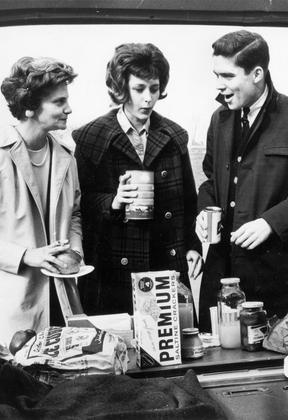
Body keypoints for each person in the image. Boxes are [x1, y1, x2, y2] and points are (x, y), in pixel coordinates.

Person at [196, 30, 288, 332]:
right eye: (215, 76)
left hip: (277, 282)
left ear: (257, 73)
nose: (219, 86)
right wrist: (206, 211)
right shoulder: (218, 120)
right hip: (222, 276)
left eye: (227, 76)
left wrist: (271, 222)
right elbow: (211, 180)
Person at [0, 57, 82, 346]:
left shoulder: (66, 157)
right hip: (7, 312)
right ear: (30, 106)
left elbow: (74, 215)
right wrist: (25, 256)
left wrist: (75, 253)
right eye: (59, 102)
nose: (69, 108)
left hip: (62, 302)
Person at [73, 43, 202, 315]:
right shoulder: (90, 137)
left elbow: (188, 201)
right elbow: (80, 204)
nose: (148, 99)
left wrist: (192, 245)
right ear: (122, 89)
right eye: (139, 89)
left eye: (154, 89)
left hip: (164, 260)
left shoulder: (174, 135)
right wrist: (115, 201)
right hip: (112, 265)